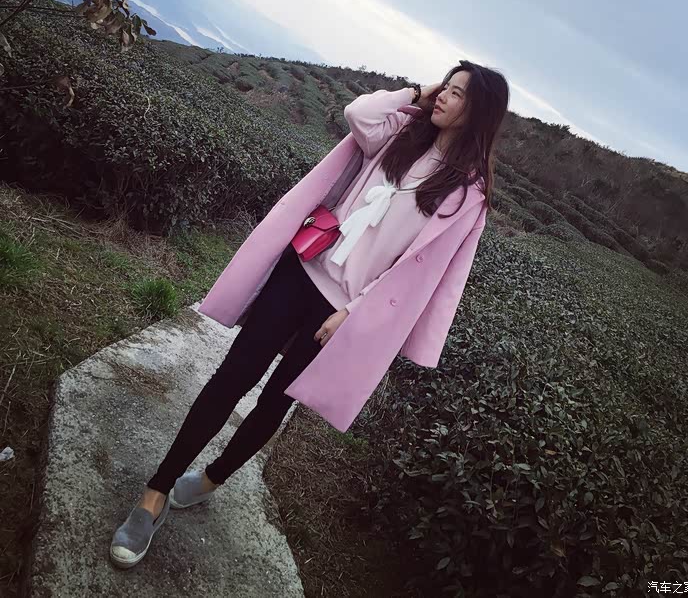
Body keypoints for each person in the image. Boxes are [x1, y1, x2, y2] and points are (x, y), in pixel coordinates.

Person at [110, 59, 509, 568]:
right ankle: (155, 493)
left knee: (275, 401)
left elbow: (419, 273)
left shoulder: (467, 195)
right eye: (445, 86)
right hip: (302, 269)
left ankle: (210, 480)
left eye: (456, 93)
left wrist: (354, 313)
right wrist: (415, 92)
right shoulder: (402, 134)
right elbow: (358, 113)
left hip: (343, 310)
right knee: (232, 376)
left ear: (479, 112)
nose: (444, 96)